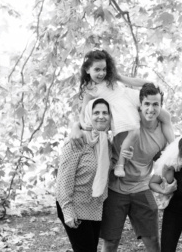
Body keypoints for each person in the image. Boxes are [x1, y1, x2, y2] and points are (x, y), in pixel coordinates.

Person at [77, 49, 174, 178]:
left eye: (104, 69)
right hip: (119, 106)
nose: (102, 73)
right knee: (134, 131)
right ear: (87, 70)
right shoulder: (89, 89)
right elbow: (83, 111)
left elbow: (131, 81)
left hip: (129, 96)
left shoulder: (111, 77)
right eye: (97, 70)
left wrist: (150, 83)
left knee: (165, 115)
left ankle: (174, 147)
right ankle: (120, 164)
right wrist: (83, 124)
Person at [99, 83, 170, 252]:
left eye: (155, 104)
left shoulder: (163, 131)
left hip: (142, 188)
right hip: (115, 188)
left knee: (153, 241)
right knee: (110, 242)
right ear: (140, 104)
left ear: (161, 106)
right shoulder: (124, 119)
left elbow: (172, 154)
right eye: (147, 104)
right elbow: (96, 122)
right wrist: (75, 127)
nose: (151, 109)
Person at [56, 98, 113, 252]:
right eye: (96, 112)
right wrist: (68, 211)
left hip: (94, 207)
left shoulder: (105, 142)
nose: (101, 116)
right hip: (74, 205)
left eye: (105, 113)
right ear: (89, 115)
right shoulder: (77, 142)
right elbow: (63, 180)